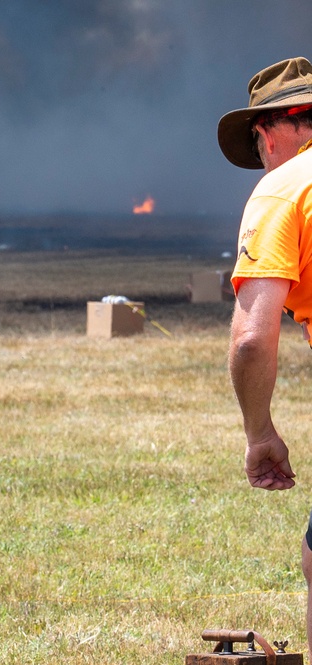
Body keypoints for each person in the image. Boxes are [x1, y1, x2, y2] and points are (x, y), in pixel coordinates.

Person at [221, 56, 312, 650]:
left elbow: (253, 339)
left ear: (270, 129)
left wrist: (260, 433)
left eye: (257, 143)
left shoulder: (284, 186)